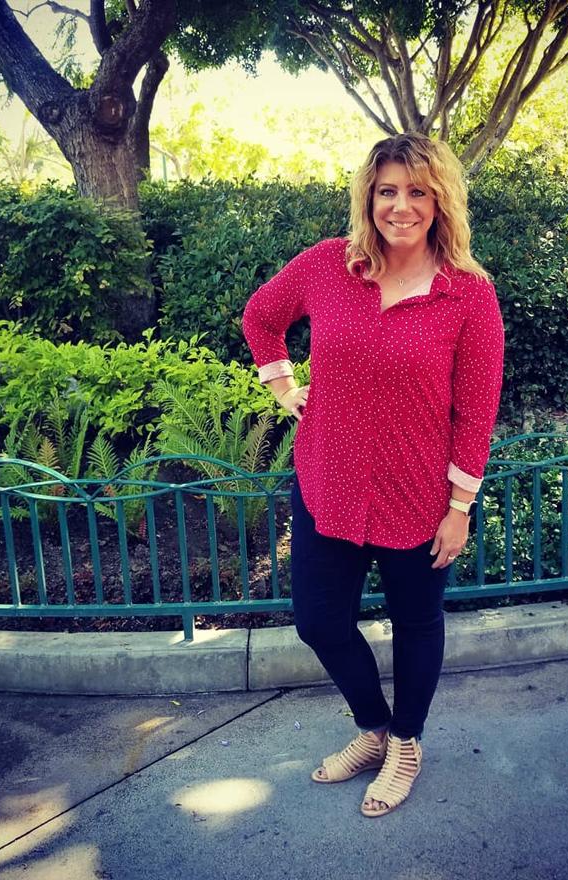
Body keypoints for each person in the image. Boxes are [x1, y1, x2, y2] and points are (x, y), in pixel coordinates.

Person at [241, 133, 505, 818]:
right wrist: (282, 384)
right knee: (319, 621)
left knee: (417, 622)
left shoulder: (468, 294)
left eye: (417, 191)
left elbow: (476, 412)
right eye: (387, 190)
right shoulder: (330, 265)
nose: (401, 205)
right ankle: (375, 729)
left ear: (440, 200)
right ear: (369, 196)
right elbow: (261, 316)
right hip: (327, 482)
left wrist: (460, 504)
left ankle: (407, 745)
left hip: (419, 495)